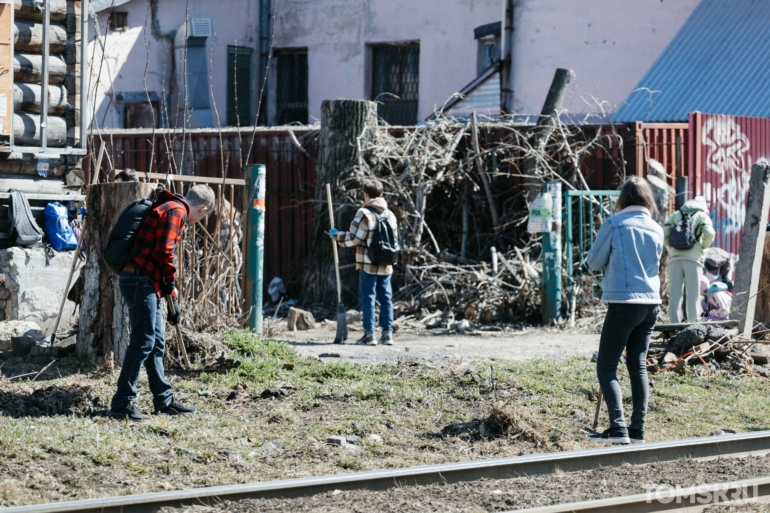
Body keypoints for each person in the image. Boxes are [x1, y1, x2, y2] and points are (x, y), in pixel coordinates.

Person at [109, 184, 216, 422]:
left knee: (155, 341)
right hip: (140, 280)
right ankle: (122, 403)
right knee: (143, 341)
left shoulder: (167, 205)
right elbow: (165, 251)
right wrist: (170, 281)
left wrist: (170, 293)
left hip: (145, 280)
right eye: (203, 216)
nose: (197, 220)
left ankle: (164, 400)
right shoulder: (177, 210)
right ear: (203, 208)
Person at [586, 176, 664, 445]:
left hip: (623, 304)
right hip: (650, 305)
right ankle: (637, 429)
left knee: (606, 366)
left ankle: (617, 429)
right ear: (647, 200)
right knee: (637, 366)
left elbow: (593, 262)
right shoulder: (656, 228)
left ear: (623, 199)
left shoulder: (614, 224)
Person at [330, 179, 397, 346]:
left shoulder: (363, 213)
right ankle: (387, 334)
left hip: (368, 262)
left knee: (368, 297)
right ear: (381, 194)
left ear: (365, 194)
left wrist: (337, 236)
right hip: (386, 263)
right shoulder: (390, 214)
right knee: (386, 298)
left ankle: (369, 335)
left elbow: (355, 238)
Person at [663, 196, 715, 323]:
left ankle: (673, 325)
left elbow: (664, 233)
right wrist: (701, 247)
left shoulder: (676, 214)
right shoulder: (702, 215)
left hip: (675, 257)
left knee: (675, 294)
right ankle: (693, 324)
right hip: (693, 258)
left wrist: (672, 247)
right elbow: (710, 233)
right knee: (693, 294)